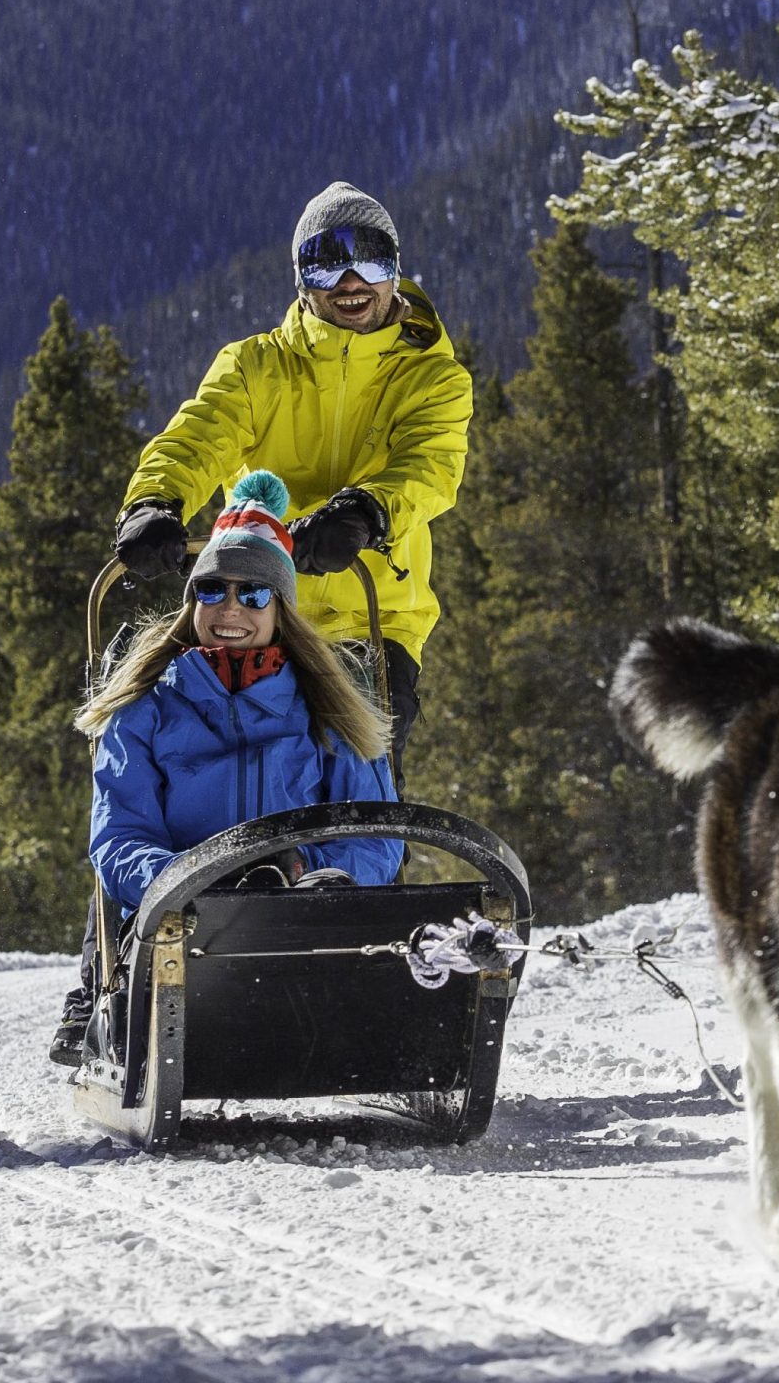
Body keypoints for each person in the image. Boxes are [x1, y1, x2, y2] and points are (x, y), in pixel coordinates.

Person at [110, 182, 471, 770]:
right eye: (327, 264)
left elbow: (429, 466)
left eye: (371, 259)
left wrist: (364, 511)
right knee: (210, 769)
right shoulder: (255, 367)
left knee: (351, 778)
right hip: (254, 609)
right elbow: (200, 437)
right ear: (302, 280)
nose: (351, 282)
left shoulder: (433, 378)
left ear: (395, 271)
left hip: (371, 620)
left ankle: (359, 861)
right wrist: (154, 501)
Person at [49, 470, 396, 1065]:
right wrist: (180, 880)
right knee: (190, 915)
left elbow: (375, 834)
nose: (231, 607)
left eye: (254, 594)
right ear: (193, 602)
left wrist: (312, 868)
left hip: (301, 912)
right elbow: (120, 835)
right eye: (213, 590)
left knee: (314, 901)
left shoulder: (329, 709)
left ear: (281, 609)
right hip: (183, 918)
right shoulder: (145, 709)